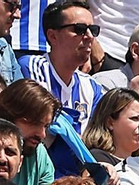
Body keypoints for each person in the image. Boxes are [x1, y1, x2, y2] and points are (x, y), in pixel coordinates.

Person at [21, 0, 105, 128]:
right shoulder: (32, 68)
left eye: (93, 30)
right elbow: (44, 124)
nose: (89, 37)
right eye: (79, 29)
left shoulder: (92, 88)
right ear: (53, 36)